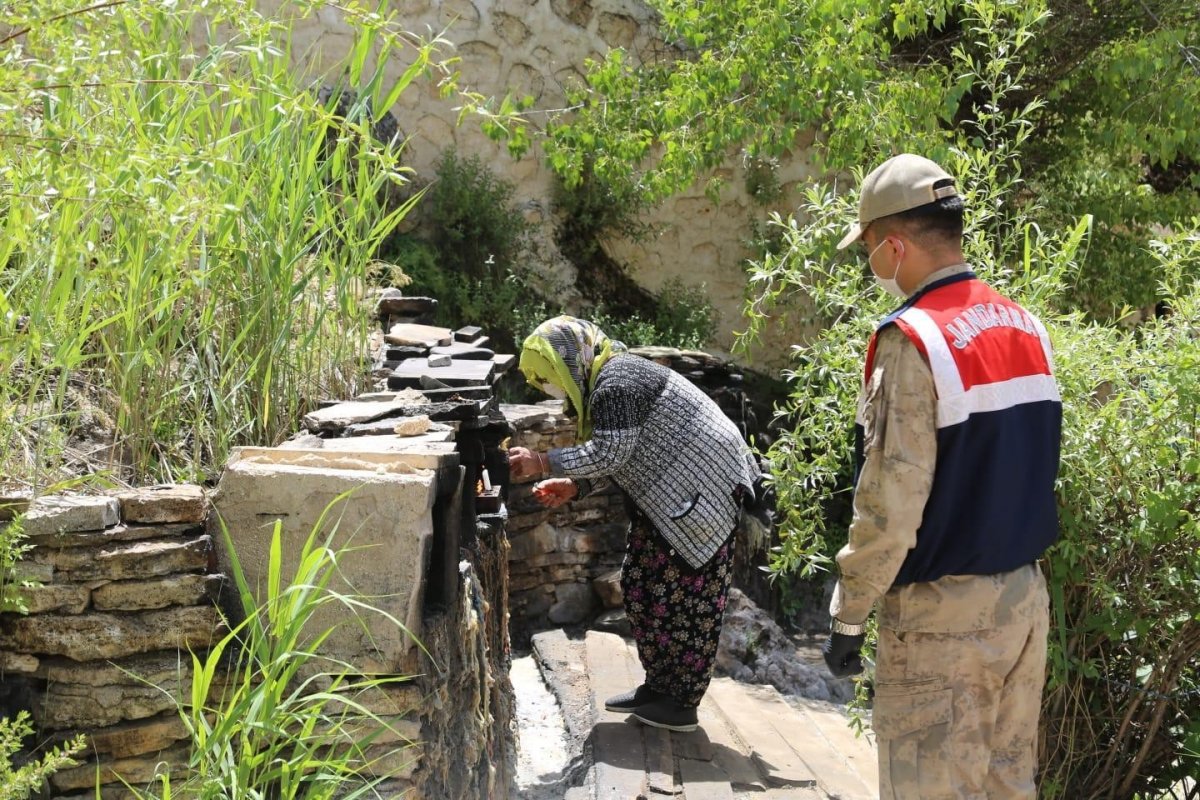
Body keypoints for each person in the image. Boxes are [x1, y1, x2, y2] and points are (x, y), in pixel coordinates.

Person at [821, 154, 1061, 799]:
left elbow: (890, 505)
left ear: (894, 245)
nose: (871, 263)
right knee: (1007, 785)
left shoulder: (914, 339)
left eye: (869, 247)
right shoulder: (1025, 324)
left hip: (941, 622)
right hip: (1023, 603)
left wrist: (851, 615)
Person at [508, 315, 760, 733]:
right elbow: (625, 453)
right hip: (675, 495)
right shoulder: (614, 379)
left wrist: (542, 461)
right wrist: (575, 485)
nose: (545, 388)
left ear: (570, 361)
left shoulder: (617, 383)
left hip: (702, 497)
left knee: (688, 602)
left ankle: (680, 704)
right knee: (643, 586)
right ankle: (660, 688)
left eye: (546, 375)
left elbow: (611, 452)